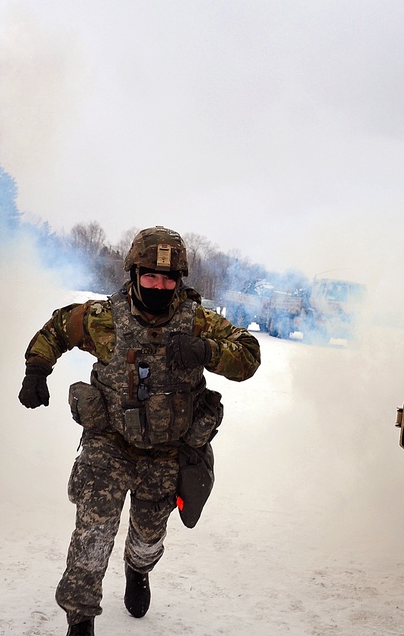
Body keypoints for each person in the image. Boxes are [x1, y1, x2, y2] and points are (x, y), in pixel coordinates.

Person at [18, 226, 261, 636]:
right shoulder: (103, 319)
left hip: (167, 453)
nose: (159, 285)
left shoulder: (199, 322)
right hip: (109, 444)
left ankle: (138, 568)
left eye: (168, 278)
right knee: (93, 530)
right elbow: (57, 329)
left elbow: (249, 356)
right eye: (150, 276)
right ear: (133, 274)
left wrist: (207, 351)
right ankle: (80, 619)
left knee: (149, 536)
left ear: (180, 280)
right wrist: (36, 370)